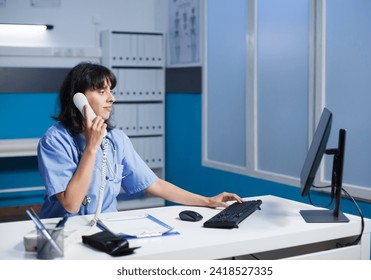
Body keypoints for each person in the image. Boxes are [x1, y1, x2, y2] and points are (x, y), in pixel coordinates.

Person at [38, 62, 243, 219]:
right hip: (63, 231)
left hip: (105, 227)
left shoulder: (116, 140)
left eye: (111, 91)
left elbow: (154, 185)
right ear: (78, 98)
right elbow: (71, 205)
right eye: (102, 92)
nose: (112, 99)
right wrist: (91, 148)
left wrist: (207, 201)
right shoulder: (55, 141)